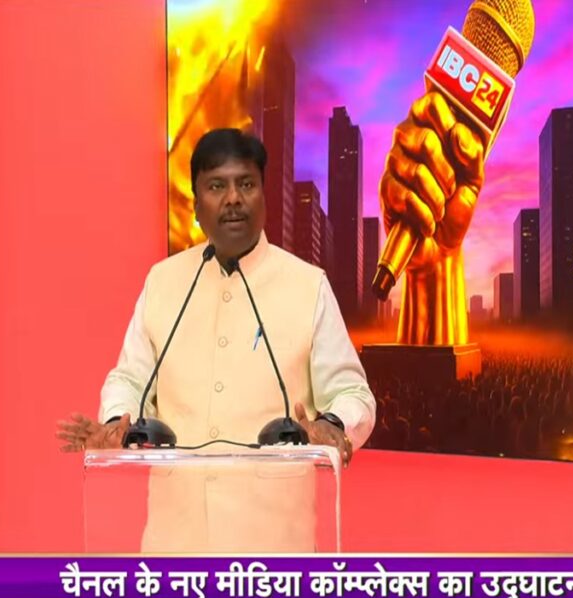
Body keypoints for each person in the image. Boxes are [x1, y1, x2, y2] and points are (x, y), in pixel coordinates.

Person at [56, 128, 376, 551]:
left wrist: (332, 425)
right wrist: (118, 420)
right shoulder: (163, 281)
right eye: (216, 186)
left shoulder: (307, 285)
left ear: (264, 196)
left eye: (246, 184)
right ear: (196, 205)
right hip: (174, 548)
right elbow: (130, 379)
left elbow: (353, 393)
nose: (233, 199)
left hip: (273, 551)